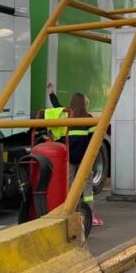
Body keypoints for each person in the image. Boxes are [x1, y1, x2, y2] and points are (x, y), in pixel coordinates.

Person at [47, 83, 104, 227]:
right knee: (87, 187)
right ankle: (90, 216)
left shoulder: (68, 116)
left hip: (71, 158)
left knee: (70, 186)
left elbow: (57, 107)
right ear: (84, 104)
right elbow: (95, 139)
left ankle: (71, 212)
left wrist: (51, 94)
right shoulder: (89, 118)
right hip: (85, 158)